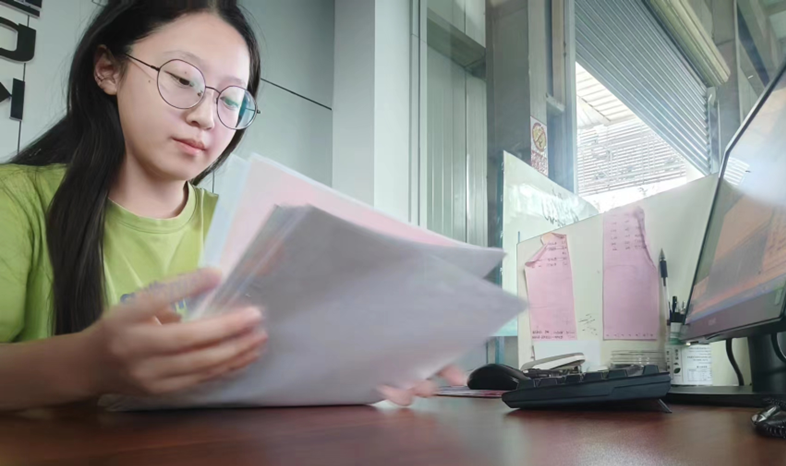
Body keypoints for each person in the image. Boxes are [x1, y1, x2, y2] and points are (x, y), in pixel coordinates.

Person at [0, 0, 465, 412]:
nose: (205, 116)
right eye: (183, 79)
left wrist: (368, 359)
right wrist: (88, 365)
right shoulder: (17, 200)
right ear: (108, 69)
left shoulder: (248, 226)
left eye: (231, 100)